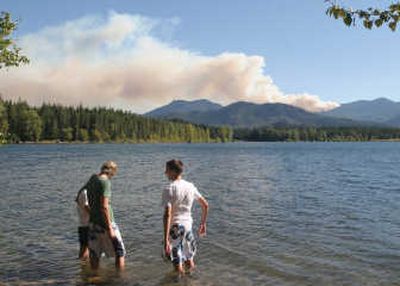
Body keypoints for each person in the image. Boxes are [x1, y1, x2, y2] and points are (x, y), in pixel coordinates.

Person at [162, 159, 209, 274]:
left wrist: (165, 240)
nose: (165, 173)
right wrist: (203, 224)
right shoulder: (190, 186)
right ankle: (192, 281)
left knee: (177, 264)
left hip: (176, 228)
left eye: (167, 170)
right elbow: (205, 205)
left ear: (173, 171)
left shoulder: (169, 189)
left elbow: (167, 214)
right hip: (188, 227)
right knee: (189, 259)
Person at [82, 161, 125, 270]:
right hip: (106, 222)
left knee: (95, 253)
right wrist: (110, 228)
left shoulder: (92, 179)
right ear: (112, 172)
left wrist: (91, 213)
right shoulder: (105, 182)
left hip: (93, 222)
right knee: (119, 252)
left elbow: (80, 199)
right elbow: (104, 206)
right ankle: (120, 278)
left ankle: (94, 277)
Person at [75, 187, 90, 259]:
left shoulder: (82, 192)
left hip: (82, 225)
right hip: (87, 225)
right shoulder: (85, 192)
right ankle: (84, 267)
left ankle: (83, 267)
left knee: (84, 248)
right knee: (86, 248)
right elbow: (87, 207)